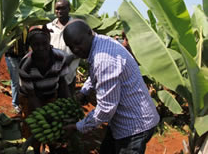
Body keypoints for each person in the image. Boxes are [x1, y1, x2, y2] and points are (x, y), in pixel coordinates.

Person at [62, 19, 160, 154]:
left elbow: (106, 108)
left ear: (90, 33)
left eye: (78, 43)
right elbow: (95, 75)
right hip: (121, 122)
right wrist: (83, 91)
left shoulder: (104, 60)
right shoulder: (100, 42)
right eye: (71, 47)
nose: (76, 49)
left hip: (134, 127)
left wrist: (78, 126)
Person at [18, 25, 71, 154]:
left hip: (50, 94)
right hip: (30, 99)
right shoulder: (26, 65)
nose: (41, 48)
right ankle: (35, 150)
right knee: (34, 129)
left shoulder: (60, 57)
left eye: (44, 43)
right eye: (36, 44)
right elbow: (32, 95)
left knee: (53, 130)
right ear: (30, 46)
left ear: (49, 42)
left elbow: (63, 83)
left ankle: (53, 148)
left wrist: (66, 108)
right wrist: (44, 115)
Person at [47, 0, 80, 95]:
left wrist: (72, 57)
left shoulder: (77, 26)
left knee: (67, 101)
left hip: (69, 73)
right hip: (52, 73)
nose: (59, 11)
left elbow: (84, 47)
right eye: (57, 9)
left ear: (69, 9)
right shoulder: (49, 27)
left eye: (63, 8)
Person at [5, 29, 28, 113]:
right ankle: (15, 104)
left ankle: (23, 101)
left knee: (24, 79)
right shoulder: (11, 25)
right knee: (15, 80)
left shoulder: (25, 26)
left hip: (23, 55)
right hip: (11, 56)